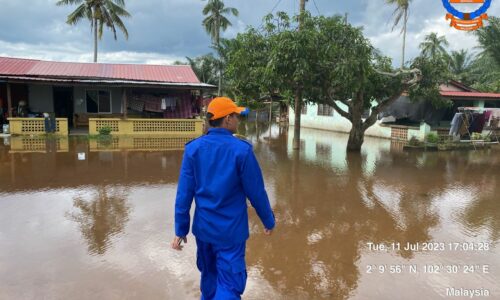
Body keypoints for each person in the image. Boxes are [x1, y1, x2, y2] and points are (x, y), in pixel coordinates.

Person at [172, 96, 276, 300]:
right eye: (236, 116)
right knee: (229, 284)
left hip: (204, 231)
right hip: (231, 233)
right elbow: (257, 192)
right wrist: (268, 220)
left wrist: (180, 229)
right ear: (227, 119)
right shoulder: (242, 151)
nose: (239, 120)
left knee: (209, 278)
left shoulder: (193, 149)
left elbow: (184, 193)